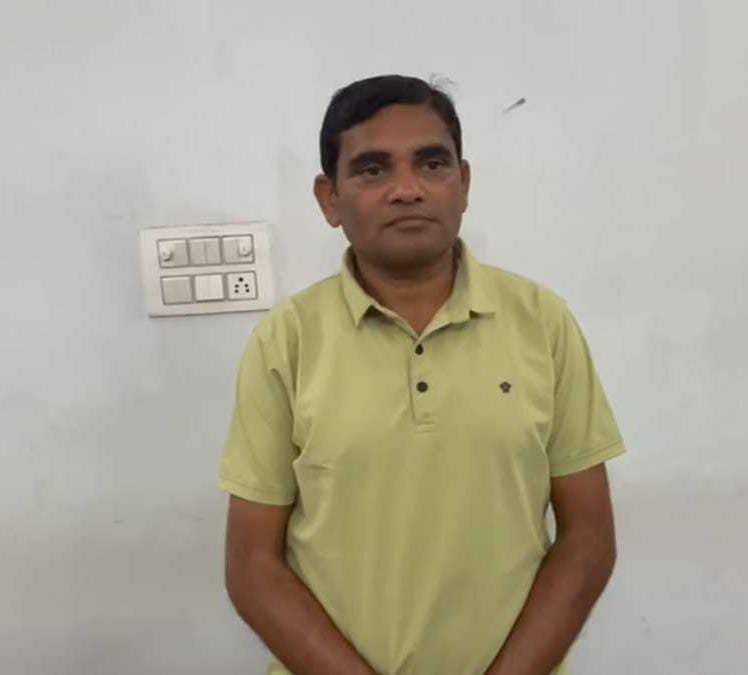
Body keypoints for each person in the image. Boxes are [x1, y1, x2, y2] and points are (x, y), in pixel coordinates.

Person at [218, 74, 627, 675]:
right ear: (329, 199)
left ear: (464, 183)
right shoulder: (288, 340)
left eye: (431, 164)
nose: (407, 189)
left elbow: (588, 539)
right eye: (372, 170)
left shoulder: (541, 321)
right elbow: (252, 566)